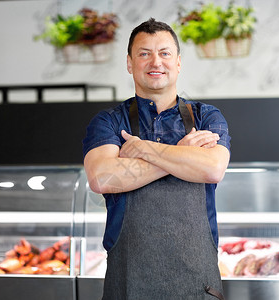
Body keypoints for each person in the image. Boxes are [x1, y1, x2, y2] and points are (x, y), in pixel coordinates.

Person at [83, 18, 231, 300]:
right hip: (128, 282)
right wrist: (184, 153)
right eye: (144, 54)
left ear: (178, 62)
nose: (156, 62)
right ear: (129, 63)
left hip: (197, 284)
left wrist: (142, 149)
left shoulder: (207, 117)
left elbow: (212, 168)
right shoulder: (108, 121)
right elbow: (102, 177)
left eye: (164, 53)